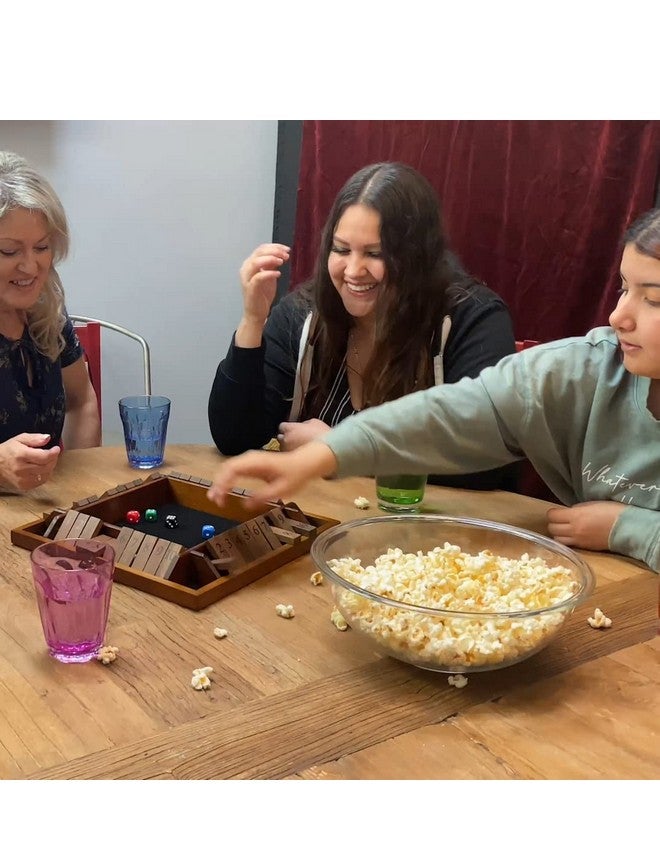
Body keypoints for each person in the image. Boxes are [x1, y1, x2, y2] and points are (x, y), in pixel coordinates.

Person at [207, 207, 660, 573]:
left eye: (652, 298)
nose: (620, 315)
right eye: (623, 288)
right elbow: (454, 413)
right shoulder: (585, 366)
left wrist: (629, 527)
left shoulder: (470, 314)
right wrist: (325, 454)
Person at [208, 161, 518, 490]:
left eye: (375, 253)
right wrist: (253, 321)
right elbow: (235, 438)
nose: (353, 270)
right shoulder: (303, 313)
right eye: (341, 249)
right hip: (322, 518)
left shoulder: (473, 319)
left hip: (434, 532)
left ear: (416, 256)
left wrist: (343, 449)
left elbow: (485, 460)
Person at [0, 151, 100, 493]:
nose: (31, 267)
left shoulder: (47, 312)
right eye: (9, 251)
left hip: (46, 510)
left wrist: (82, 492)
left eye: (41, 247)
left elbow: (81, 400)